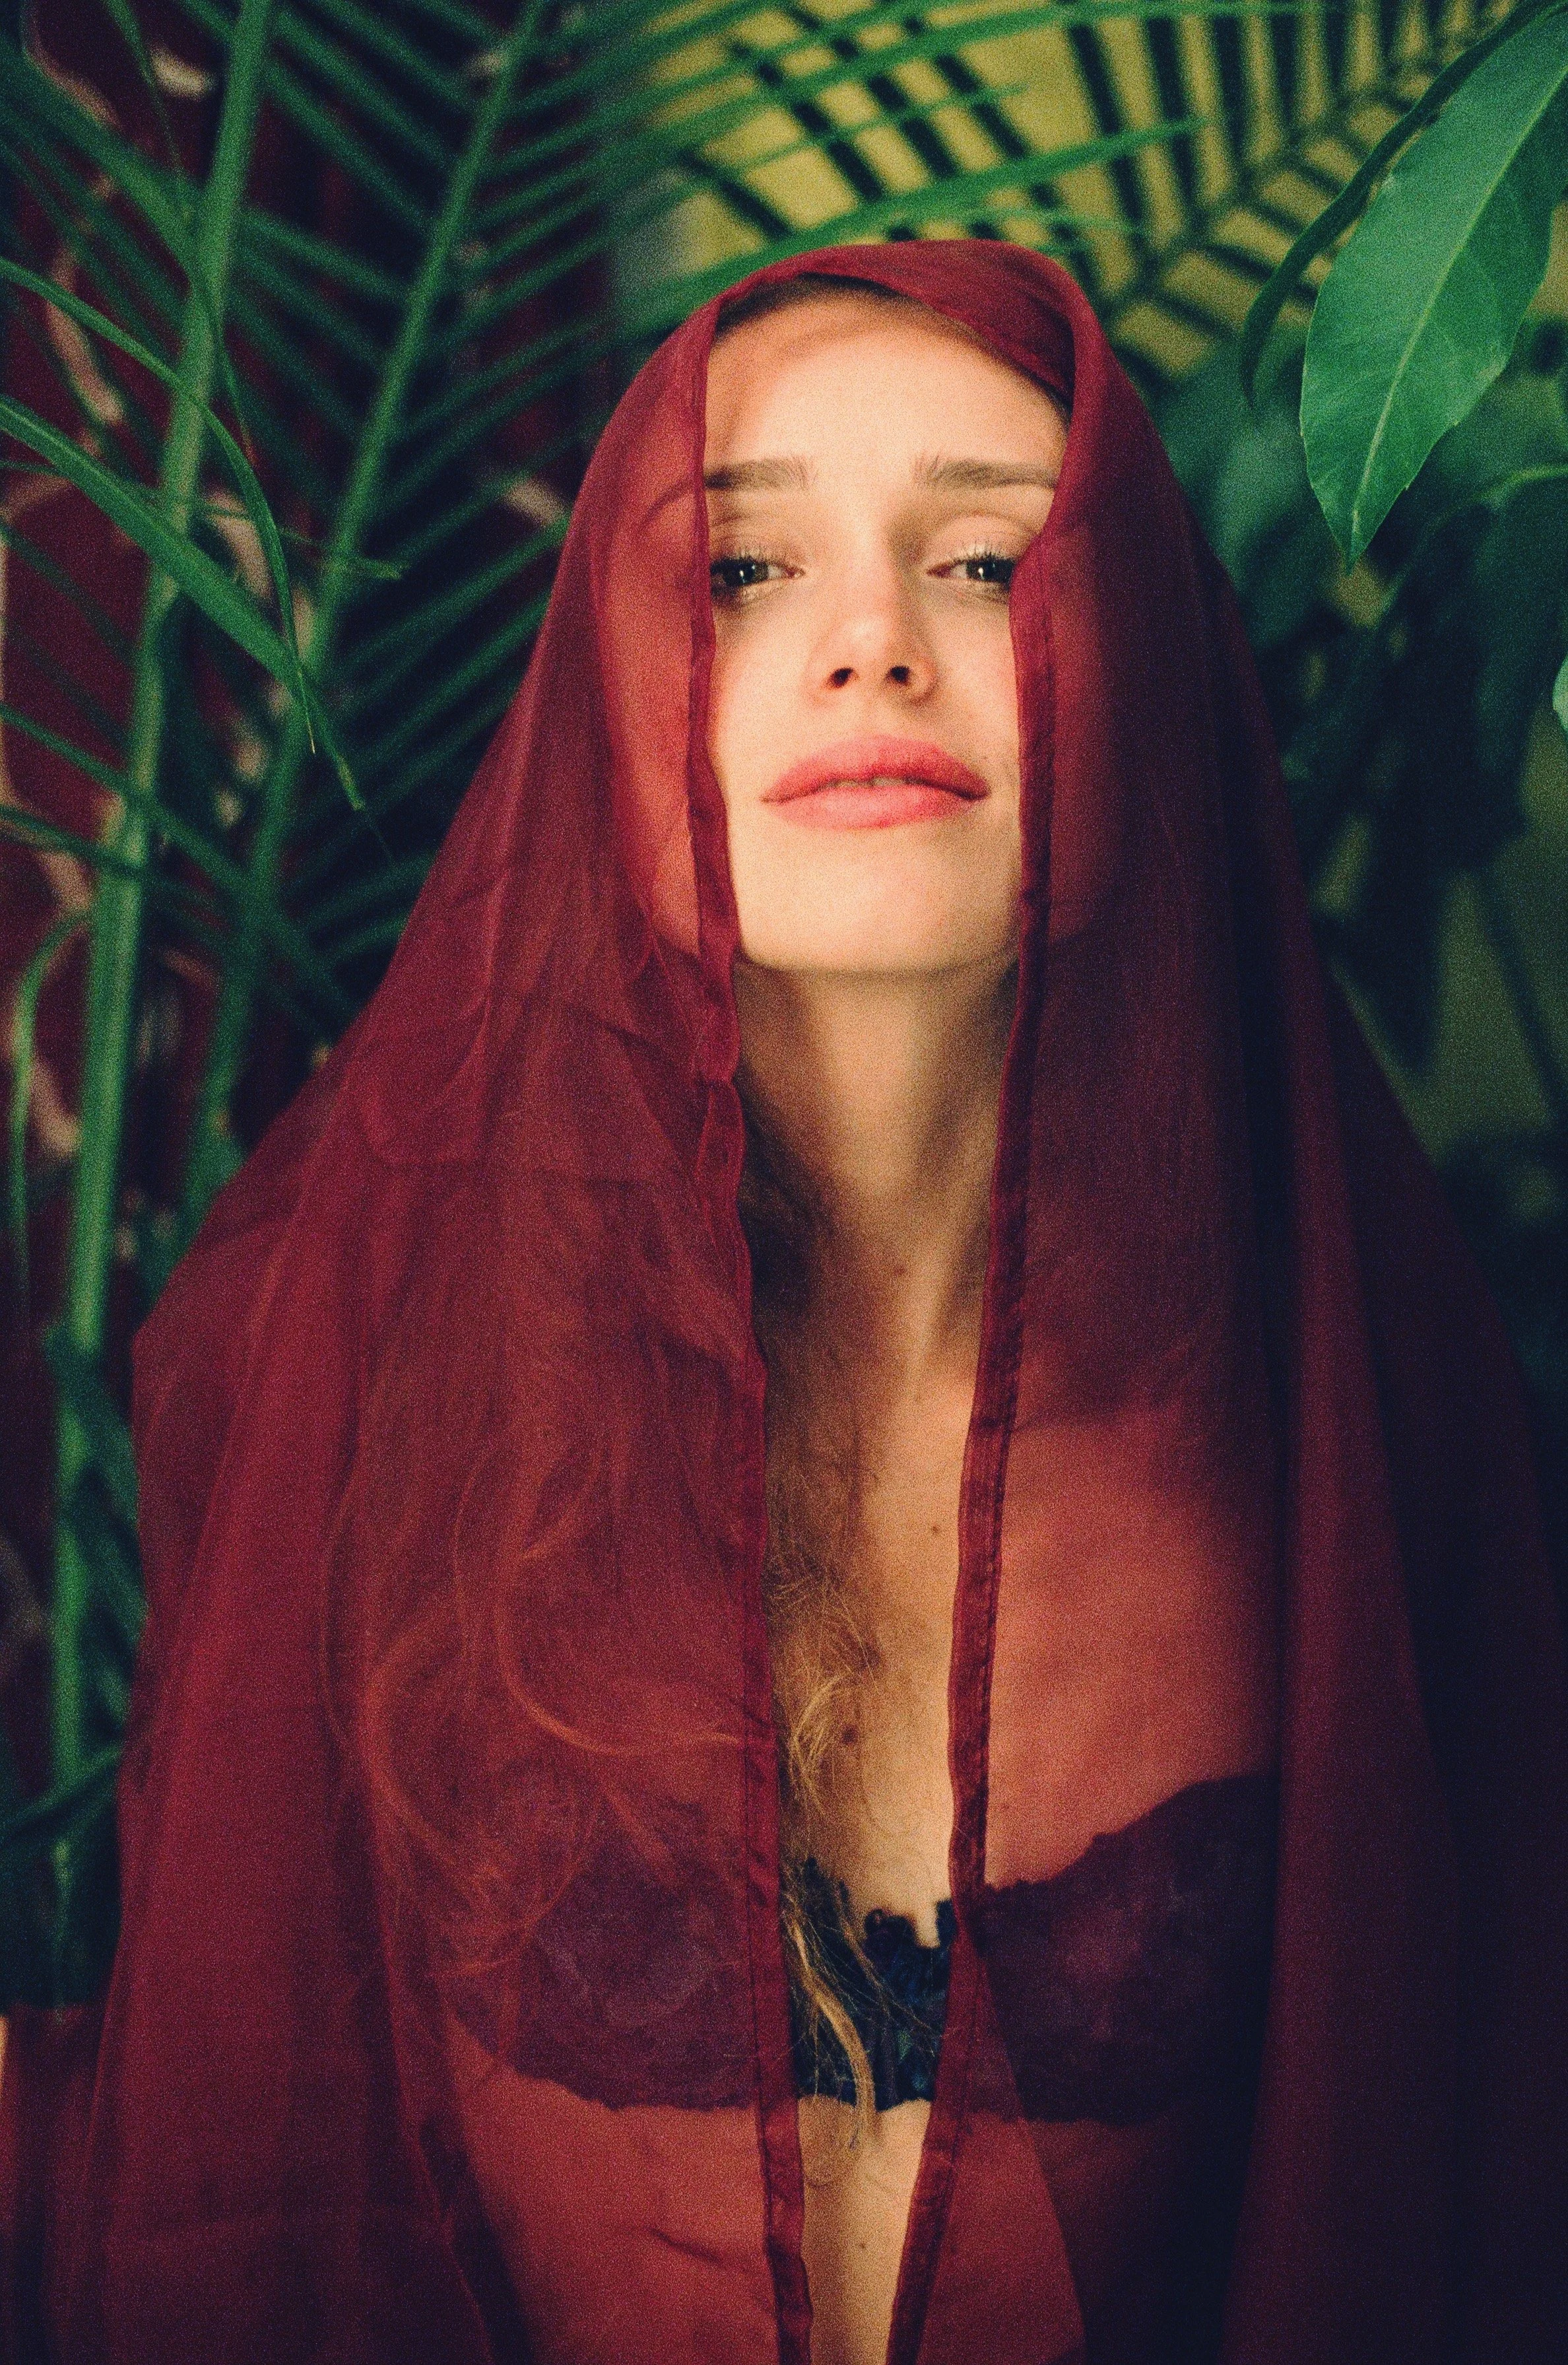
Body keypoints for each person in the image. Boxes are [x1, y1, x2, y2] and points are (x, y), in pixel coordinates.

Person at [1, 240, 1564, 2365]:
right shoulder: (389, 1401)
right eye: (740, 570)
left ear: (1157, 671)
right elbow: (238, 2148)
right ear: (608, 706)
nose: (868, 650)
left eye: (993, 564)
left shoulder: (1351, 1433)